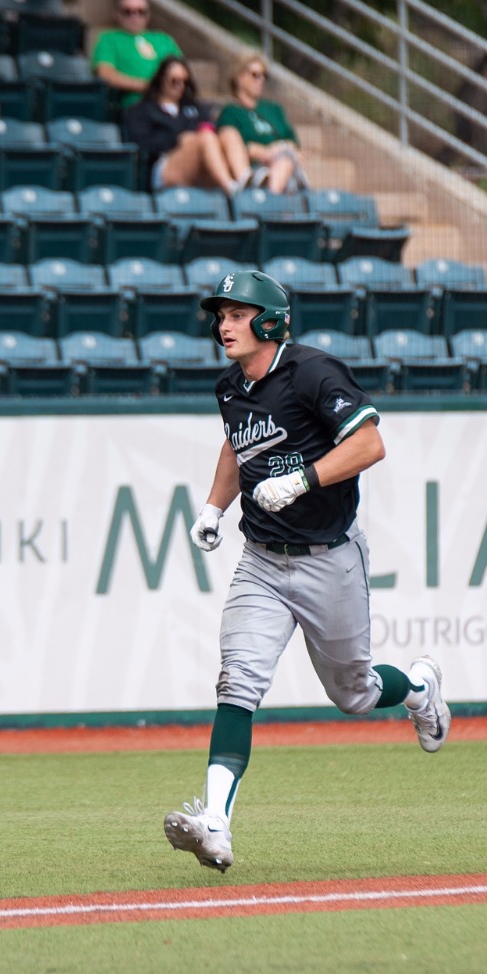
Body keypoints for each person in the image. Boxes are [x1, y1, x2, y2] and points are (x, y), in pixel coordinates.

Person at [165, 270, 448, 873]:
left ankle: (419, 689)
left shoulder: (315, 371)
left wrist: (302, 479)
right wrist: (215, 506)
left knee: (355, 692)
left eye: (238, 314)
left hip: (329, 558)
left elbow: (370, 443)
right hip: (262, 561)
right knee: (237, 683)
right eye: (221, 314)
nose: (224, 324)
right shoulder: (231, 386)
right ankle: (215, 822)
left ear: (270, 320)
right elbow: (235, 446)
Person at [123, 56, 246, 194]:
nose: (180, 86)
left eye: (184, 82)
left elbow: (208, 127)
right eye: (174, 81)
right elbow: (143, 144)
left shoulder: (194, 108)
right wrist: (178, 140)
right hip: (163, 165)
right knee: (206, 138)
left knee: (229, 132)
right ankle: (231, 190)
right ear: (161, 80)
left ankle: (244, 180)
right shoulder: (142, 110)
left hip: (199, 164)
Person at [216, 52, 306, 193]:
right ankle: (265, 200)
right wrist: (267, 151)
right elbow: (239, 147)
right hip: (255, 170)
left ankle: (268, 200)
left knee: (285, 162)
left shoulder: (274, 109)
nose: (261, 79)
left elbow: (293, 142)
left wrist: (276, 150)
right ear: (239, 77)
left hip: (284, 165)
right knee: (284, 162)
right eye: (255, 75)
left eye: (264, 75)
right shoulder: (230, 112)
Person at [92, 0, 181, 110]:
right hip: (137, 103)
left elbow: (181, 71)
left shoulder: (163, 39)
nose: (135, 16)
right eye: (128, 11)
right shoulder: (108, 39)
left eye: (141, 11)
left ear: (148, 15)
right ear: (117, 14)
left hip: (174, 101)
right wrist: (148, 86)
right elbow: (106, 74)